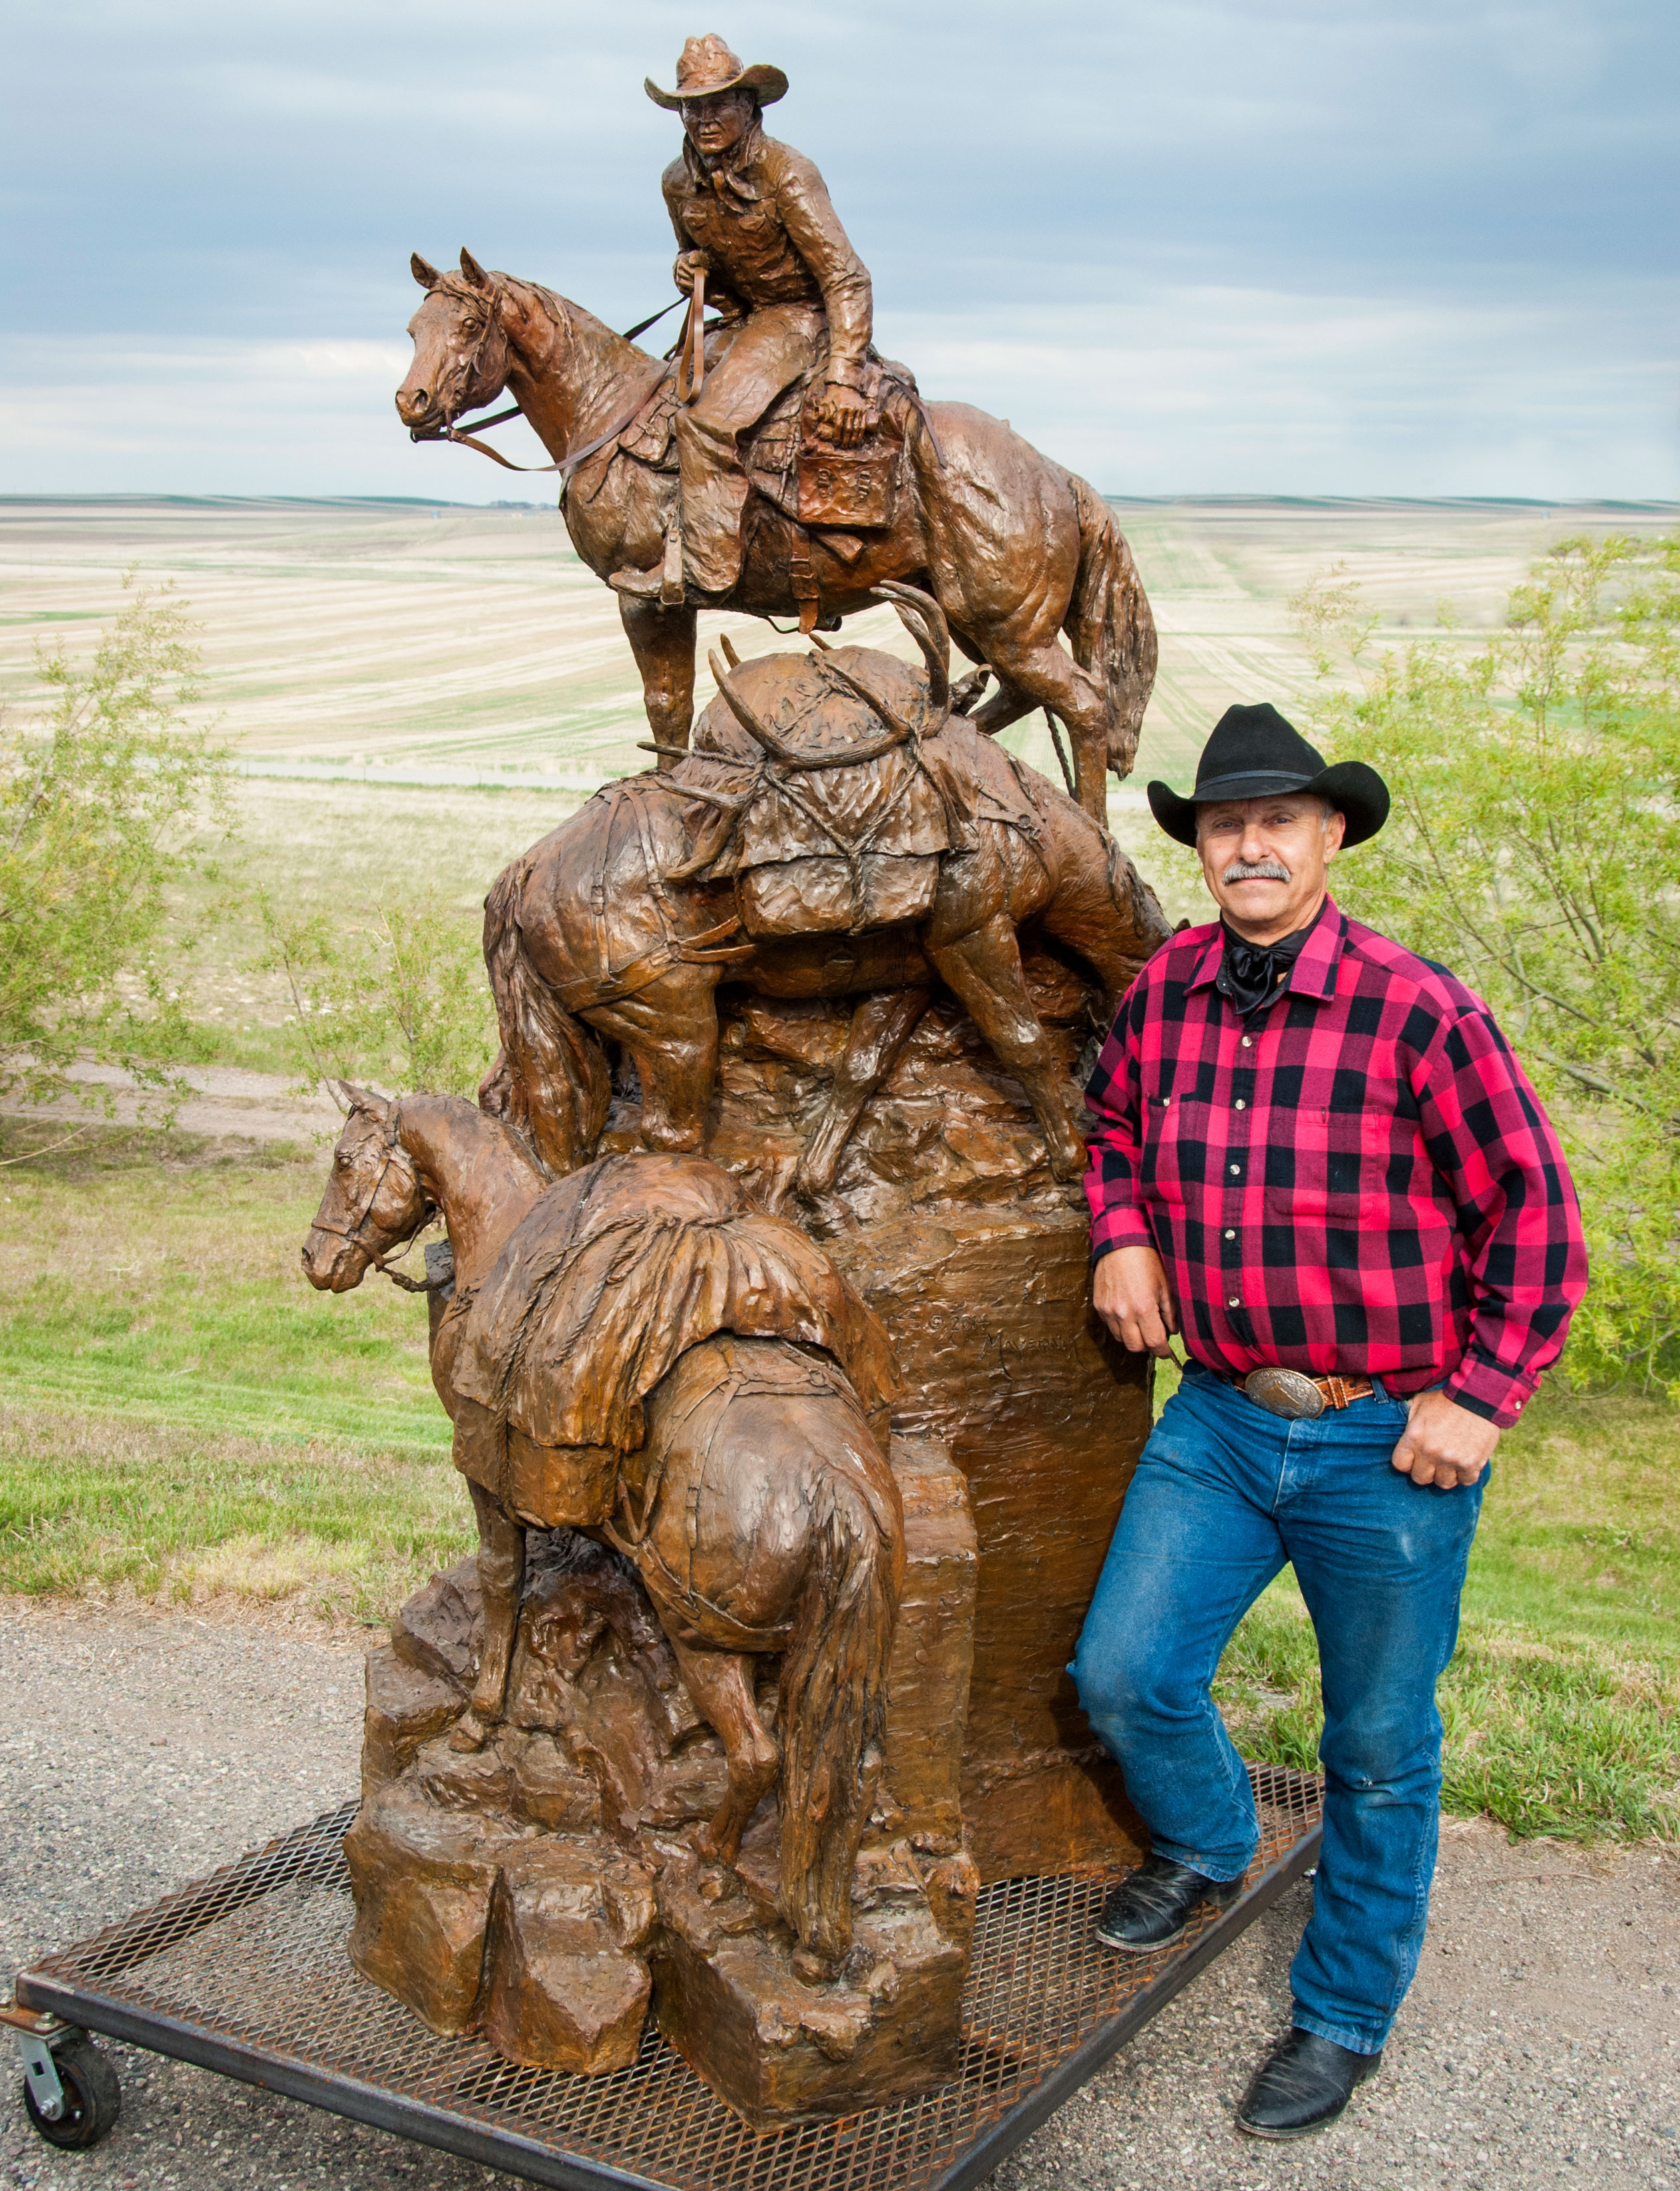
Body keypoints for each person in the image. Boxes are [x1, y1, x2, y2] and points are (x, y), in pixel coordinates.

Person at [1073, 702, 1587, 2140]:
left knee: (1374, 1744)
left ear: (1329, 836)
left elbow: (1535, 1218)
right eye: (1224, 823)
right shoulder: (1165, 988)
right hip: (1222, 1421)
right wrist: (1122, 1231)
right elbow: (1110, 1124)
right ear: (1202, 847)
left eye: (1277, 820)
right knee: (1122, 1672)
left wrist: (1479, 1398)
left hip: (1386, 1440)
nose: (1248, 842)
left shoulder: (1417, 1009)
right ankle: (1215, 1837)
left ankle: (1343, 2012)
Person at [611, 35, 873, 603]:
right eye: (691, 106)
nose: (703, 119)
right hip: (746, 320)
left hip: (801, 319)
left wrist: (845, 375)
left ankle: (708, 571)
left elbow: (846, 277)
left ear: (749, 106)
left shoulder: (787, 172)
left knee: (707, 424)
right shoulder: (676, 184)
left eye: (717, 104)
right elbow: (708, 269)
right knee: (656, 405)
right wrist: (689, 271)